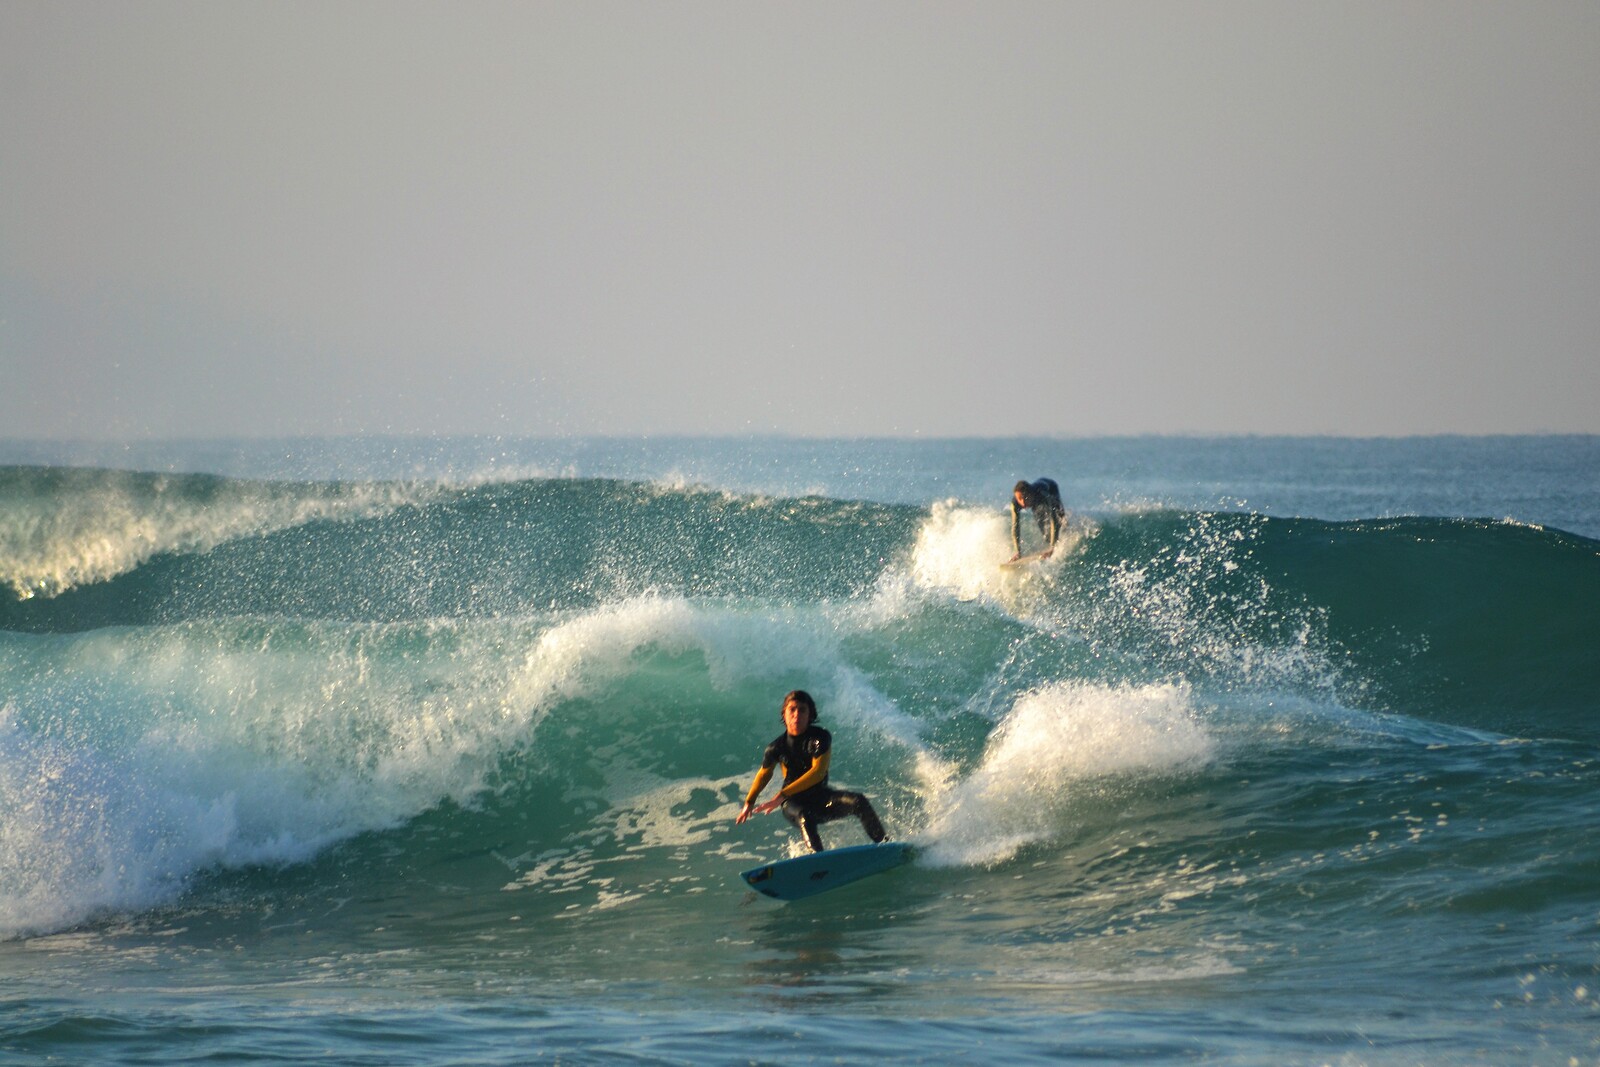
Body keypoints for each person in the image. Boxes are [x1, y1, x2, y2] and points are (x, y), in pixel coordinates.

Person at [735, 689, 888, 853]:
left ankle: (886, 846)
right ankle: (817, 862)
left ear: (810, 715)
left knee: (858, 801)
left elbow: (818, 773)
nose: (796, 715)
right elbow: (764, 774)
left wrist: (781, 795)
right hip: (793, 803)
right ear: (784, 714)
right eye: (792, 709)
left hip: (821, 798)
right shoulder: (776, 747)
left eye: (802, 710)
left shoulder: (820, 738)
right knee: (804, 815)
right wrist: (749, 802)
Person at [1009, 477, 1065, 561]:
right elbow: (1015, 528)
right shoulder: (1015, 504)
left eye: (1025, 498)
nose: (1023, 502)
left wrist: (1052, 548)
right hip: (1035, 501)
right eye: (1019, 499)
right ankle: (1051, 543)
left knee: (1059, 517)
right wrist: (1017, 552)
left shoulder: (1043, 494)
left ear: (1030, 494)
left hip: (1051, 489)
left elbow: (1054, 520)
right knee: (1046, 535)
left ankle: (1058, 541)